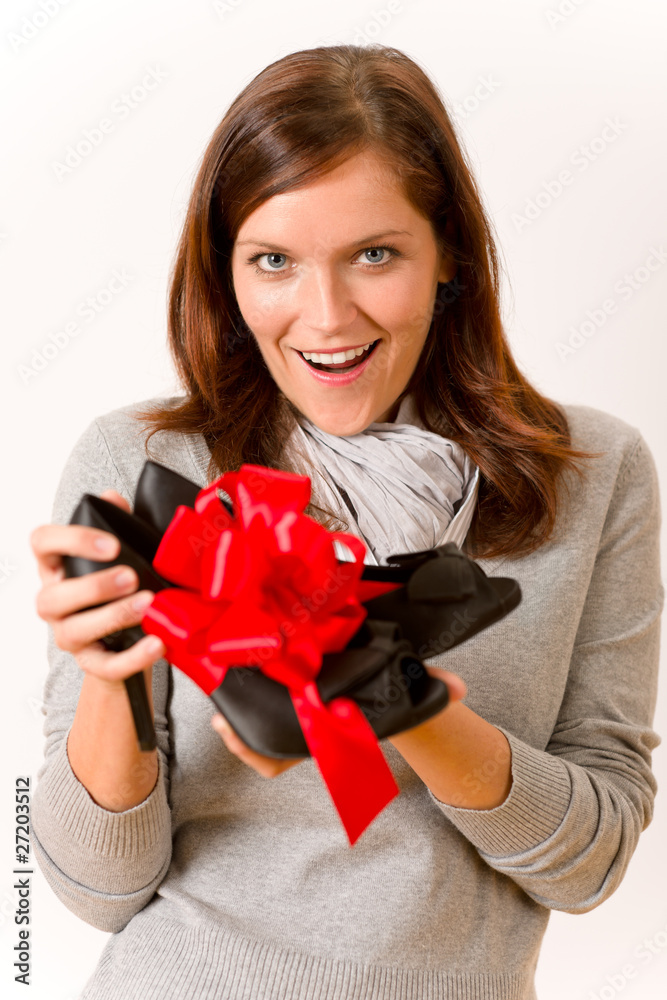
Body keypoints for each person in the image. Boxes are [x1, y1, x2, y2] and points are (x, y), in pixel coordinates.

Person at [29, 44, 662, 1000]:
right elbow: (94, 892)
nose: (323, 317)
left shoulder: (594, 473)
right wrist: (107, 680)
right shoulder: (147, 465)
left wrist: (395, 697)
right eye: (273, 261)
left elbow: (589, 865)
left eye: (375, 254)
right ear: (225, 273)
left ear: (447, 252)